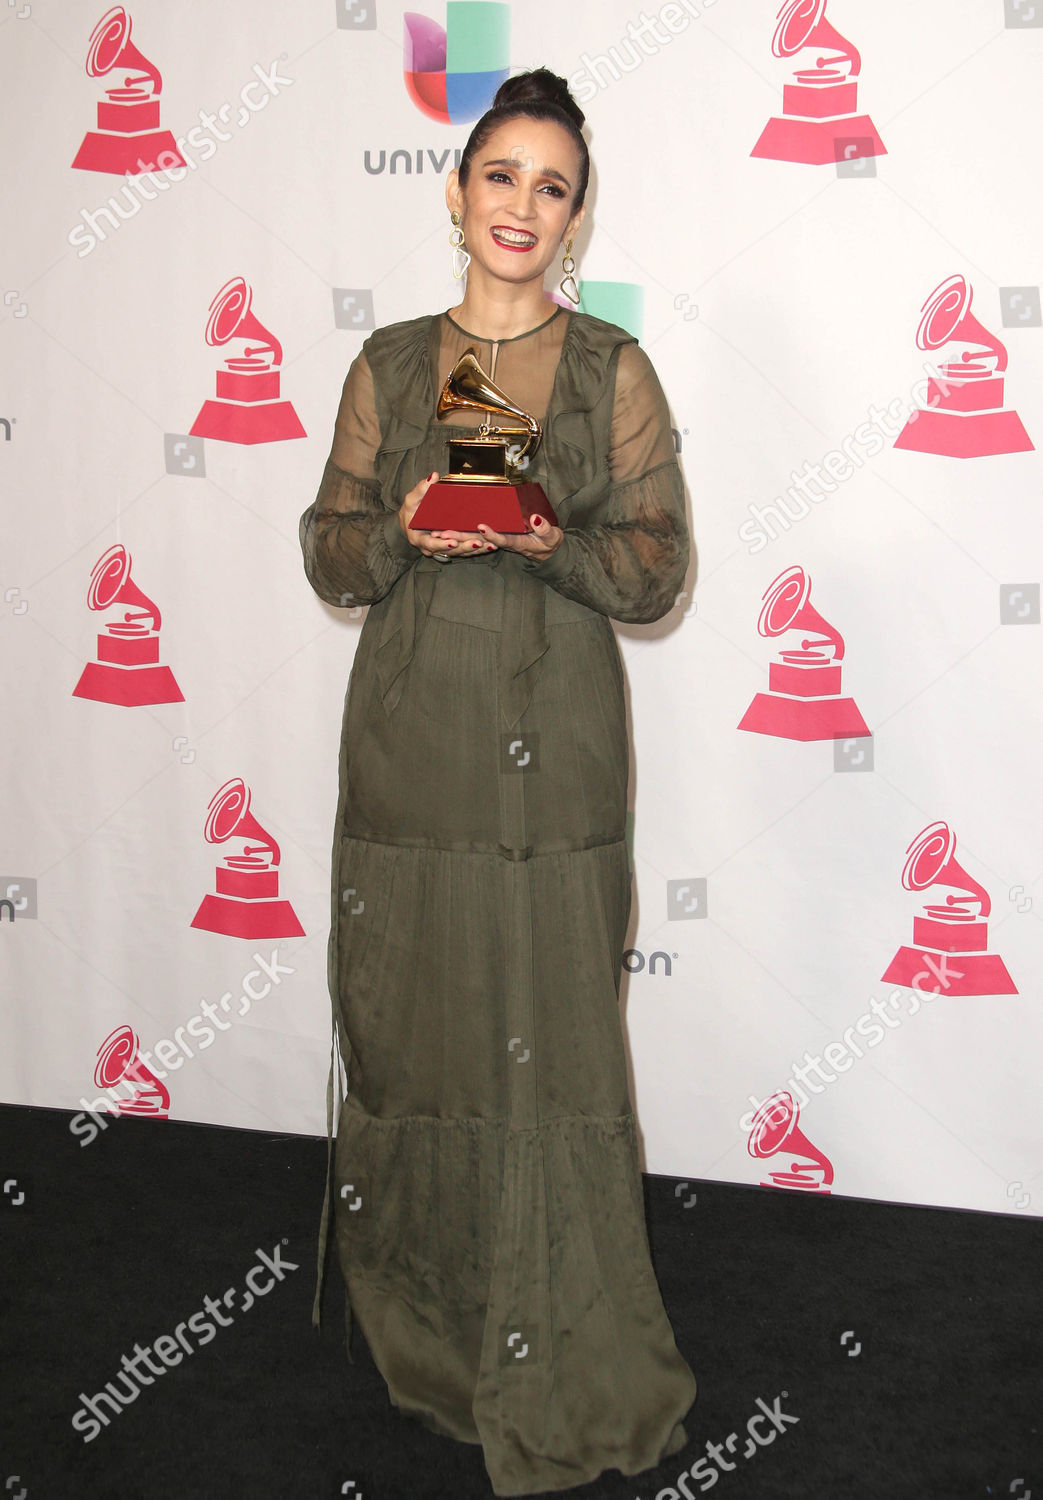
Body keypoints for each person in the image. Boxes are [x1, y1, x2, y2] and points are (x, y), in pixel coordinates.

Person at [300, 66, 697, 1497]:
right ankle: (435, 1325)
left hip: (557, 746)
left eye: (553, 185)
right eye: (501, 175)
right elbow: (330, 551)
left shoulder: (611, 371)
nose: (523, 205)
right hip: (415, 747)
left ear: (577, 217)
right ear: (458, 191)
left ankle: (564, 1338)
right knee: (423, 1030)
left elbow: (657, 572)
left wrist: (547, 541)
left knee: (553, 1033)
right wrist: (403, 525)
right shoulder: (391, 365)